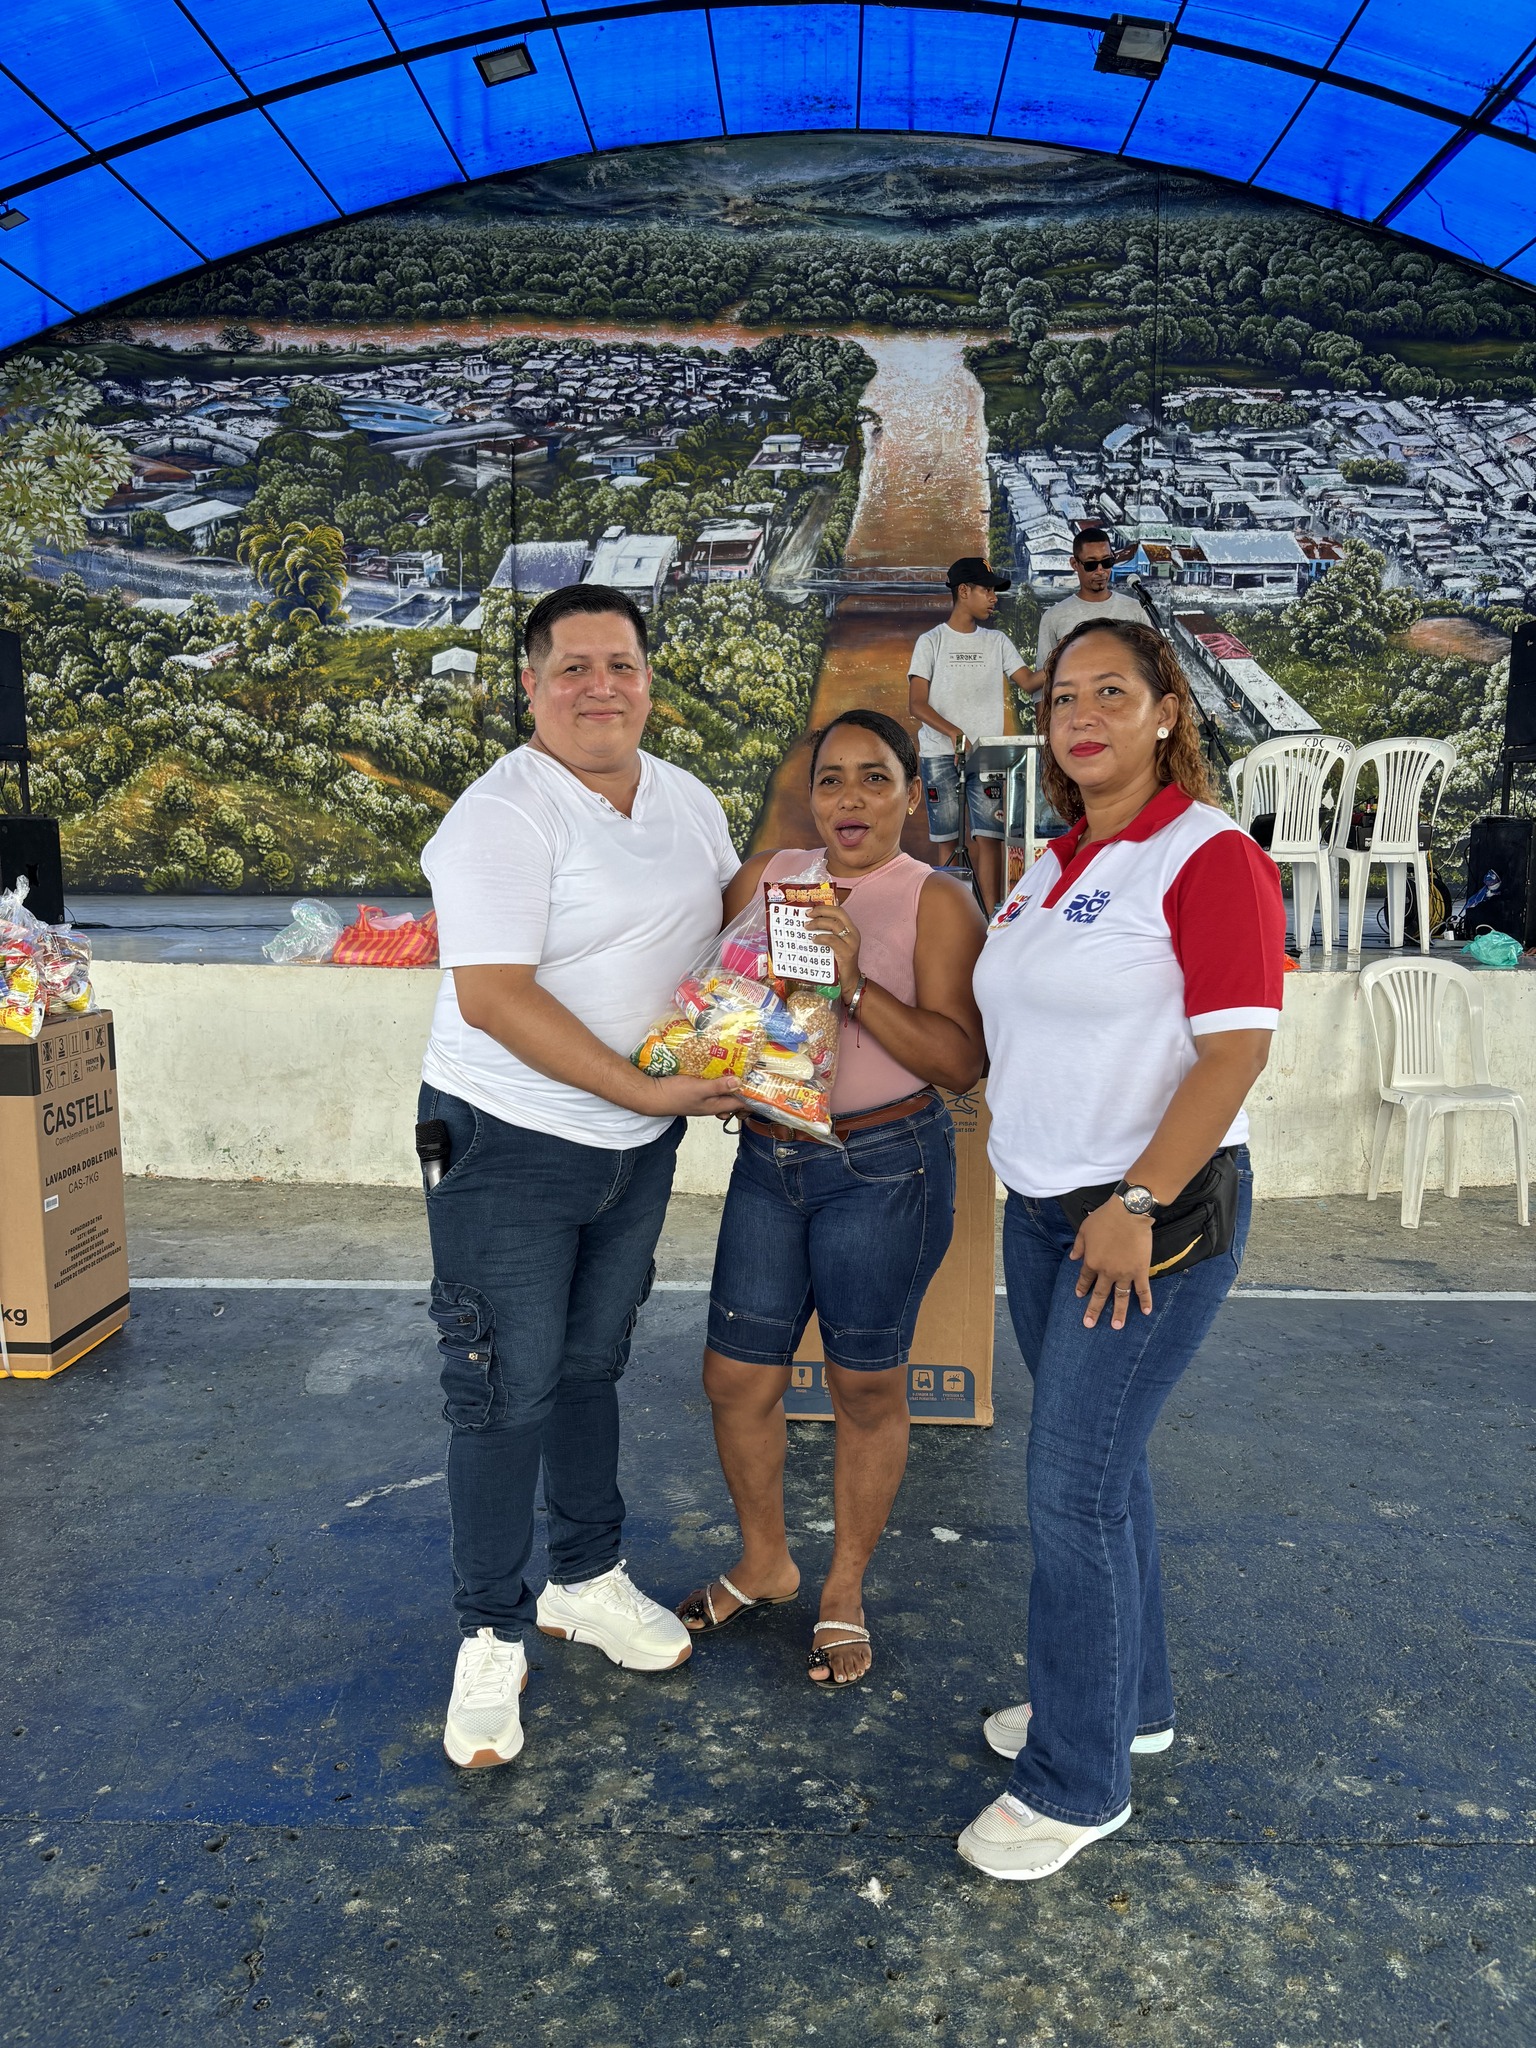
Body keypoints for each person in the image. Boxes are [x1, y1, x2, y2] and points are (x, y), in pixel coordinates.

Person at [960, 616, 1286, 1881]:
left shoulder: (1206, 855)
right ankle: (1124, 1706)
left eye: (1112, 691)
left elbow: (1235, 1051)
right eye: (1062, 698)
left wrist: (1139, 1200)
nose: (1082, 715)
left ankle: (1077, 1778)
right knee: (1106, 1471)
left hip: (1147, 1222)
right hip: (1048, 1213)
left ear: (1167, 712)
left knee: (1072, 1489)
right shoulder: (1051, 865)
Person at [418, 582, 743, 1772]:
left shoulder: (686, 798)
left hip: (632, 1148)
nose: (600, 687)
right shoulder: (502, 815)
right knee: (503, 1385)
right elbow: (493, 996)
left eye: (621, 665)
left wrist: (811, 898)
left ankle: (585, 1575)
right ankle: (489, 1630)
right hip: (507, 1140)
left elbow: (725, 924)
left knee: (591, 1362)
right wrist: (646, 1092)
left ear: (648, 679)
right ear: (531, 685)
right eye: (573, 667)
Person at [675, 709, 987, 1687]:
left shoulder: (936, 899)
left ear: (912, 794)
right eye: (831, 780)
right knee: (736, 1377)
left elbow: (960, 1063)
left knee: (865, 1387)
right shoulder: (769, 879)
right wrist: (724, 1041)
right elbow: (716, 990)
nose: (850, 798)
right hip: (770, 1159)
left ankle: (844, 1586)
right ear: (809, 797)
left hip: (884, 1165)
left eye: (874, 778)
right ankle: (766, 1560)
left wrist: (852, 982)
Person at [909, 557, 1034, 914]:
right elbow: (916, 704)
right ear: (963, 591)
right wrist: (954, 734)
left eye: (995, 591)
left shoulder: (997, 641)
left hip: (987, 756)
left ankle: (992, 916)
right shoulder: (931, 641)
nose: (994, 598)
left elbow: (1028, 682)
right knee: (947, 840)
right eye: (987, 590)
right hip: (939, 755)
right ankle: (952, 916)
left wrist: (1066, 657)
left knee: (990, 838)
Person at [1026, 527, 1147, 685]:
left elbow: (1153, 668)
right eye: (1091, 564)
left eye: (1107, 562)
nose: (1100, 571)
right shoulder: (1054, 617)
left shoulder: (1136, 610)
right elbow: (1043, 684)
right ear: (1074, 564)